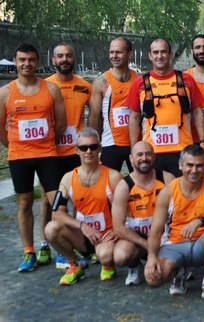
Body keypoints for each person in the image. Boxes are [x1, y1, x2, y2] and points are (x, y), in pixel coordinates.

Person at [0, 43, 66, 272]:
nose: (26, 64)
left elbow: (61, 123)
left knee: (58, 204)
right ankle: (29, 251)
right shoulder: (6, 92)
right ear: (16, 61)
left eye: (31, 59)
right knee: (24, 203)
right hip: (19, 156)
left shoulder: (50, 89)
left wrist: (43, 142)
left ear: (38, 62)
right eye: (22, 60)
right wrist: (15, 145)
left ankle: (62, 251)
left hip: (47, 154)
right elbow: (1, 129)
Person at [144, 145, 204, 302]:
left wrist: (201, 221)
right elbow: (155, 231)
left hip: (200, 244)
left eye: (199, 165)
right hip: (173, 245)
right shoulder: (168, 191)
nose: (194, 170)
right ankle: (179, 272)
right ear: (180, 165)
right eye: (190, 165)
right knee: (153, 279)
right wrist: (151, 257)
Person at [44, 128, 123, 285]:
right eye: (83, 148)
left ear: (99, 148)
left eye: (93, 147)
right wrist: (82, 226)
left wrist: (117, 230)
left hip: (107, 236)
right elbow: (57, 214)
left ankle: (107, 264)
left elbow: (127, 209)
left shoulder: (113, 176)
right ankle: (74, 265)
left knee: (105, 256)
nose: (88, 151)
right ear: (76, 150)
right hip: (83, 236)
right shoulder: (68, 178)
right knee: (51, 229)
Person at [128, 39, 204, 176]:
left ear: (170, 55)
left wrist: (203, 142)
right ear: (150, 55)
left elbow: (197, 112)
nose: (160, 56)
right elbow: (134, 118)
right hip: (152, 151)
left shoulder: (186, 80)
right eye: (156, 52)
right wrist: (134, 149)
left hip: (182, 150)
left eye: (164, 52)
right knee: (155, 194)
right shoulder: (139, 83)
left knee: (182, 194)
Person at [46, 43, 92, 269]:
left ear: (74, 59)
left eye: (68, 56)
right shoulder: (44, 86)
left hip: (77, 151)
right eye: (60, 56)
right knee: (49, 199)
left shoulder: (84, 86)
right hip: (51, 151)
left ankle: (73, 240)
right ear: (53, 60)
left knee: (78, 197)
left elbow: (94, 117)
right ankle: (49, 244)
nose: (64, 59)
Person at [111, 140, 174, 286]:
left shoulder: (167, 179)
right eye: (139, 154)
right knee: (121, 256)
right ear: (131, 158)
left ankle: (177, 266)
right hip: (138, 239)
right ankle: (134, 266)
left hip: (164, 236)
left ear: (154, 157)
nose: (144, 158)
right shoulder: (124, 186)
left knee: (158, 278)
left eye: (148, 154)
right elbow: (118, 228)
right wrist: (148, 246)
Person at [88, 37, 137, 172]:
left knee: (139, 185)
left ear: (130, 54)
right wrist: (93, 145)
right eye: (111, 52)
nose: (114, 56)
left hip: (135, 143)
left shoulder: (138, 80)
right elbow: (94, 116)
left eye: (119, 52)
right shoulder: (102, 81)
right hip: (111, 143)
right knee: (108, 186)